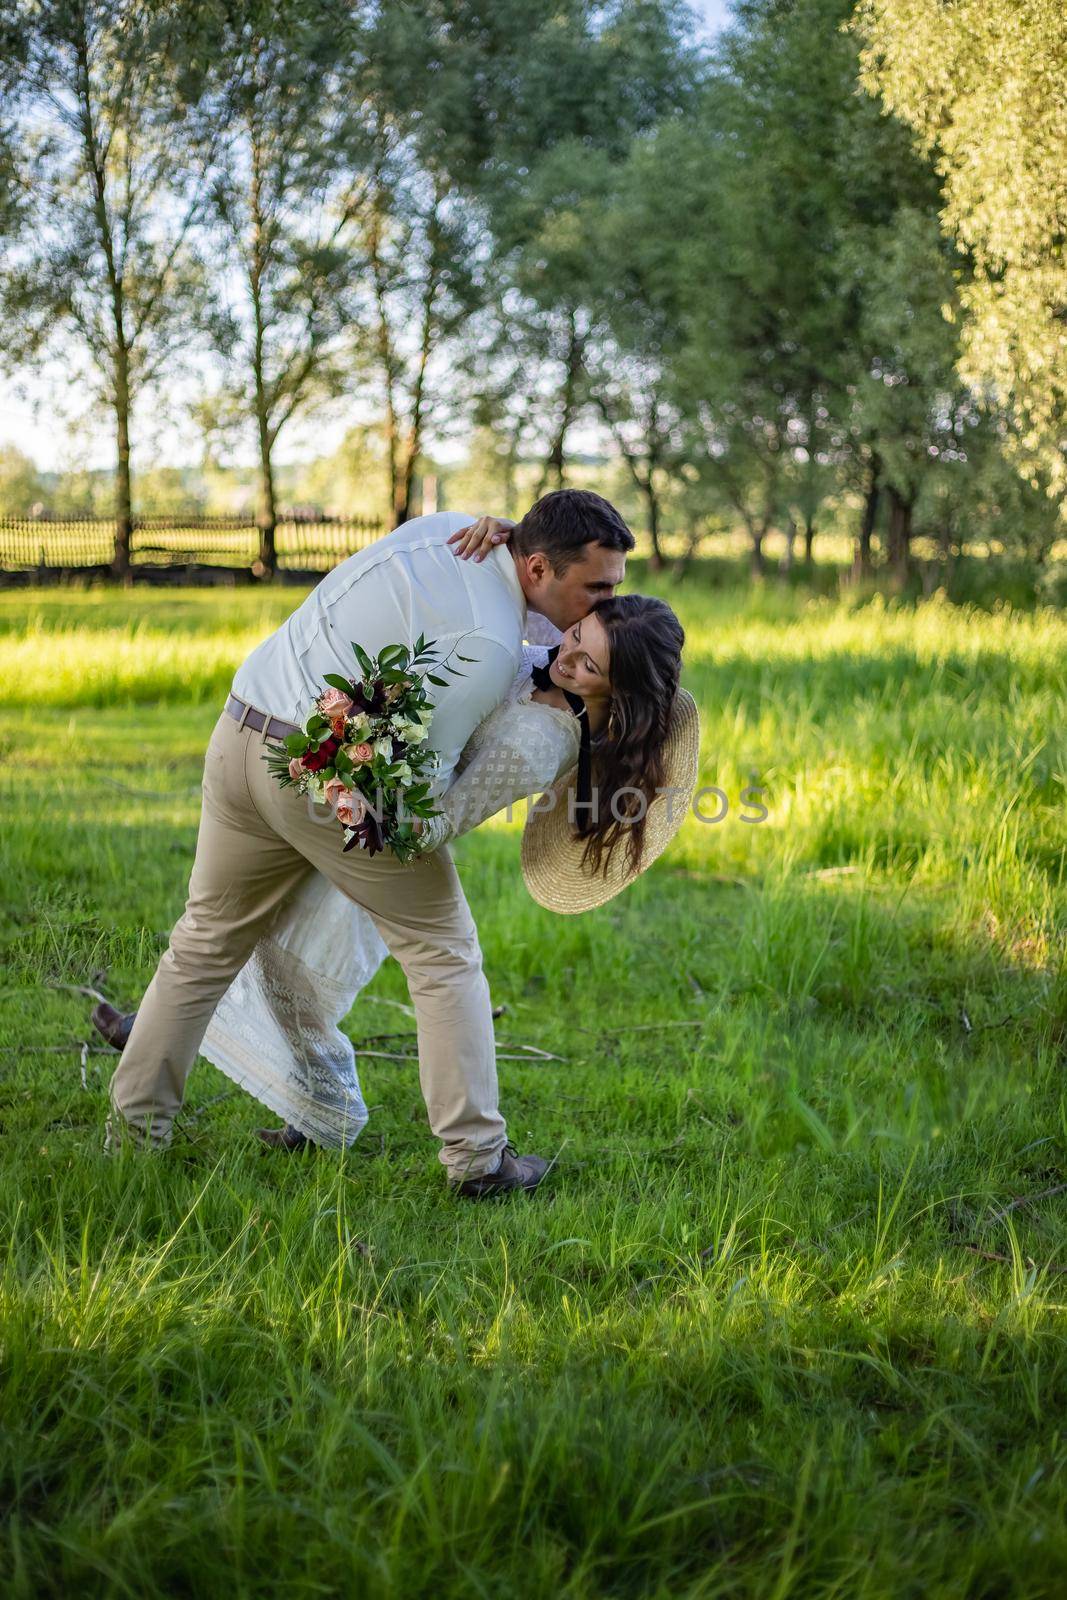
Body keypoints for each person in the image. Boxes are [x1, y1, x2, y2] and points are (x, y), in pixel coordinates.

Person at [95, 534, 699, 1179]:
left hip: (385, 813)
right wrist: (509, 536)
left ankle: (461, 1152)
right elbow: (531, 591)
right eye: (575, 637)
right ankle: (451, 1151)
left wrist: (359, 777)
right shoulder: (551, 658)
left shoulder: (538, 740)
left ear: (617, 691)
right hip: (344, 787)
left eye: (587, 665)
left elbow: (440, 823)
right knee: (288, 945)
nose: (564, 657)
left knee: (434, 953)